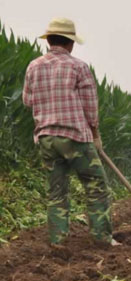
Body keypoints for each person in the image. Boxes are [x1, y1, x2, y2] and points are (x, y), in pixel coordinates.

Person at [22, 17, 118, 246]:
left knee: (57, 192)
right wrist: (96, 136)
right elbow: (90, 107)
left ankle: (58, 240)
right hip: (75, 137)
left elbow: (27, 101)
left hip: (46, 138)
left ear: (49, 41)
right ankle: (102, 238)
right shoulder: (78, 67)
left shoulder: (33, 66)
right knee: (96, 186)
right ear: (70, 43)